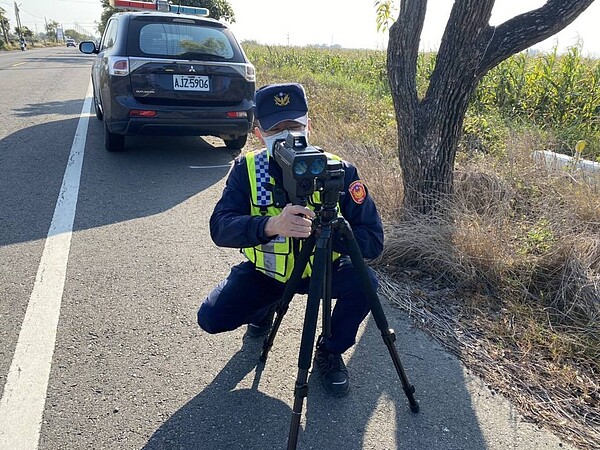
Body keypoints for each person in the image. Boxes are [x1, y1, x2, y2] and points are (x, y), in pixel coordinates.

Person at [197, 82, 384, 397]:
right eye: (276, 129)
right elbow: (220, 227)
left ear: (309, 125)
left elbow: (373, 240)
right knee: (211, 318)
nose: (288, 136)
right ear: (259, 133)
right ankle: (262, 311)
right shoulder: (247, 169)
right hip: (268, 274)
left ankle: (329, 351)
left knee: (365, 283)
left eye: (295, 125)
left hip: (323, 271)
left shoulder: (341, 171)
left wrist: (328, 233)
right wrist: (270, 225)